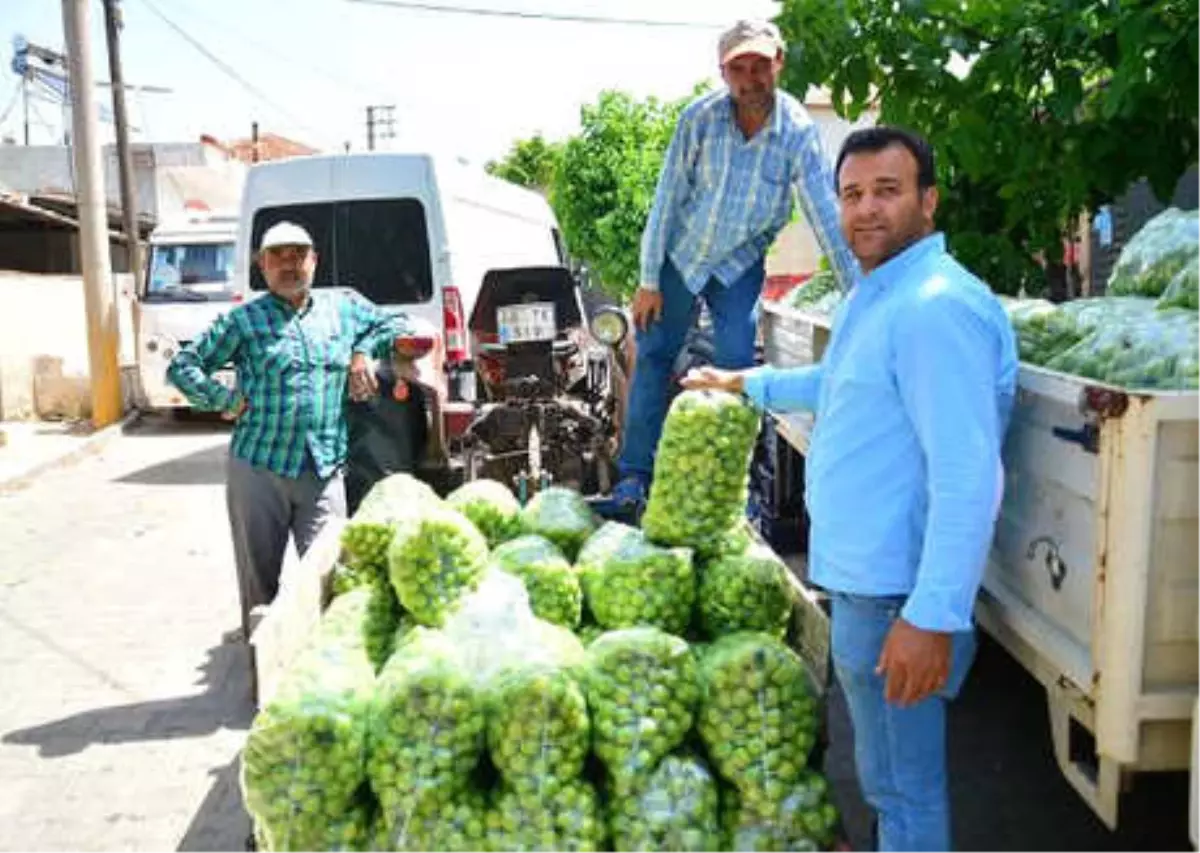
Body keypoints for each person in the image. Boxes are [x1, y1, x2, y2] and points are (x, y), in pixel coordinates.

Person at [683, 126, 1019, 853]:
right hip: (873, 588)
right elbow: (842, 386)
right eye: (852, 194)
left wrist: (931, 615)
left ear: (928, 202)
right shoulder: (883, 294)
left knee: (905, 788)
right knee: (887, 783)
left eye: (888, 191)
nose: (867, 209)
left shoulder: (933, 307)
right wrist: (745, 383)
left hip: (899, 595)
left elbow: (969, 475)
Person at [611, 18, 860, 506]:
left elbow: (824, 214)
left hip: (739, 264)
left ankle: (732, 483)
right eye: (739, 69)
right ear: (724, 74)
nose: (751, 79)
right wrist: (648, 280)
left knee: (736, 363)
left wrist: (862, 291)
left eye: (760, 66)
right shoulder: (698, 120)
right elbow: (667, 198)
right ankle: (634, 475)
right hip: (682, 257)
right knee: (656, 354)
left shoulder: (797, 131)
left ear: (778, 63)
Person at [167, 221, 413, 638]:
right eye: (278, 256)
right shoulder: (244, 321)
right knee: (259, 585)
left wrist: (361, 353)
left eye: (298, 255)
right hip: (258, 469)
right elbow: (182, 367)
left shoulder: (343, 309)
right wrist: (223, 400)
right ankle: (261, 672)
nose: (288, 265)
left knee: (333, 576)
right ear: (262, 265)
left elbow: (395, 322)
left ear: (314, 261)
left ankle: (329, 663)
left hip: (324, 468)